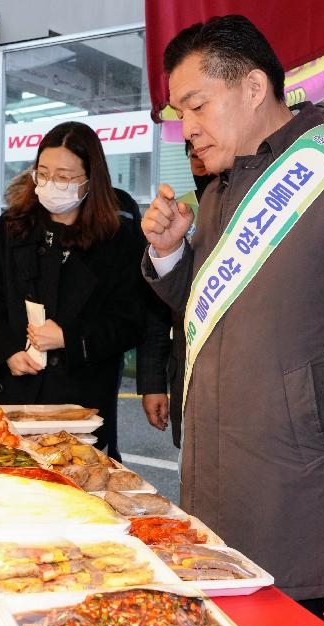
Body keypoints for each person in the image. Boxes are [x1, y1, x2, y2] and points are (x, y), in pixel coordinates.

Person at [141, 15, 324, 610]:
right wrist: (170, 256)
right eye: (180, 116)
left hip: (309, 494)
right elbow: (212, 312)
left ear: (253, 88)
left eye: (197, 106)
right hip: (220, 482)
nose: (187, 130)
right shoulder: (223, 189)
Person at [0, 121, 145, 453]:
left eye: (64, 177)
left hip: (78, 404)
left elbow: (131, 319)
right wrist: (6, 349)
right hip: (8, 394)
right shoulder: (13, 226)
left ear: (91, 179)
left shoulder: (117, 237)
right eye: (44, 173)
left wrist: (70, 337)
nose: (52, 184)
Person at [139, 140, 214, 448]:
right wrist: (153, 382)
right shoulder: (180, 210)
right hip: (186, 369)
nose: (197, 159)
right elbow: (156, 310)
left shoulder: (256, 209)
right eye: (190, 152)